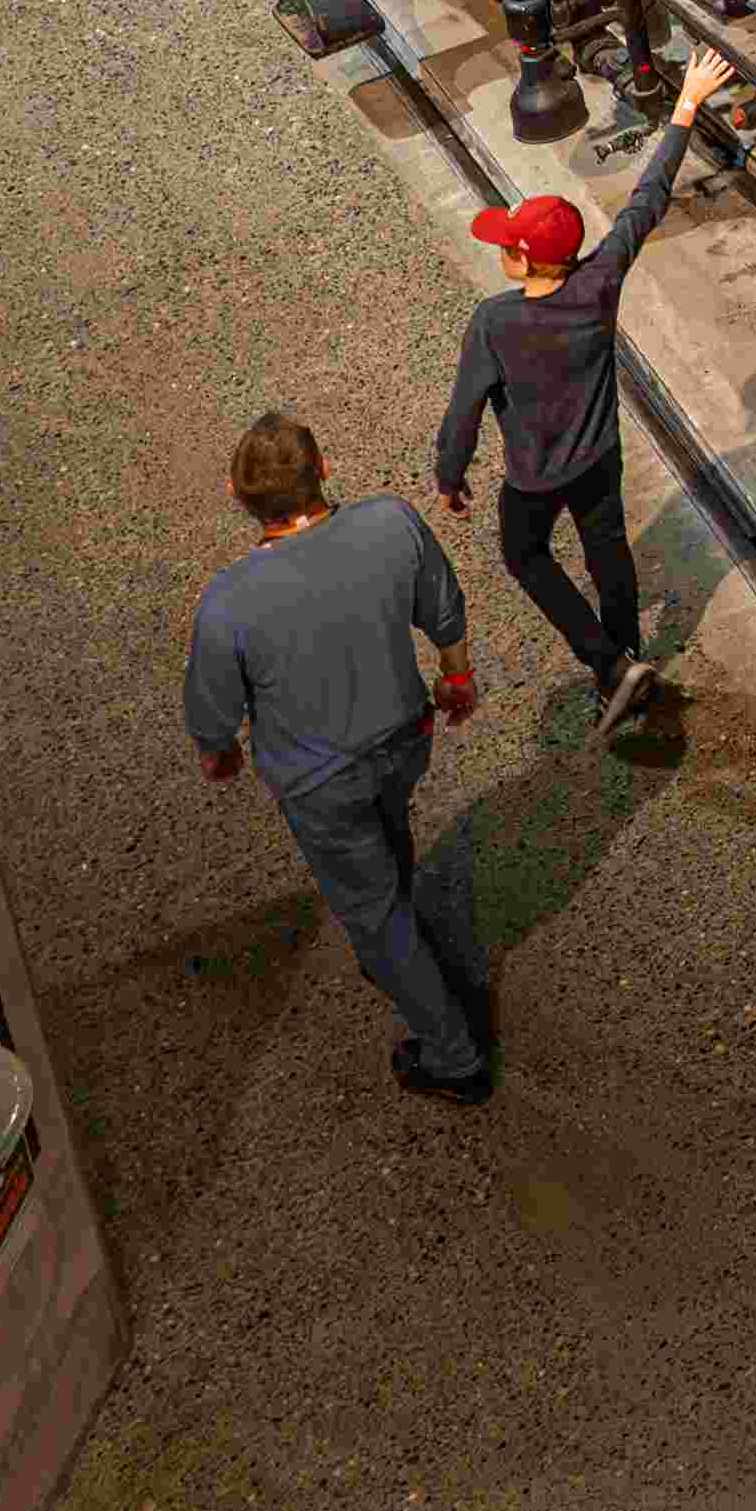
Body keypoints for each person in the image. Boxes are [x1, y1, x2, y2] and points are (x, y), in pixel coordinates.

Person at [184, 411, 494, 1101]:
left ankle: (453, 1056)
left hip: (320, 782)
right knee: (390, 824)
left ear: (238, 500)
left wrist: (219, 754)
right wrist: (457, 677)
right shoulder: (390, 522)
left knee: (372, 908)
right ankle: (401, 941)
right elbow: (445, 609)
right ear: (323, 469)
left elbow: (211, 716)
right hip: (405, 739)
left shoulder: (228, 600)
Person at [433, 48, 738, 718]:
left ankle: (606, 662)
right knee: (608, 551)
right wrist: (686, 103)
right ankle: (627, 661)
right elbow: (646, 201)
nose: (499, 249)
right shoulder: (598, 285)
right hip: (599, 457)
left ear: (523, 259)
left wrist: (449, 475)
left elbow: (464, 413)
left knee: (525, 553)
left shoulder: (494, 322)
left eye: (506, 244)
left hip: (535, 477)